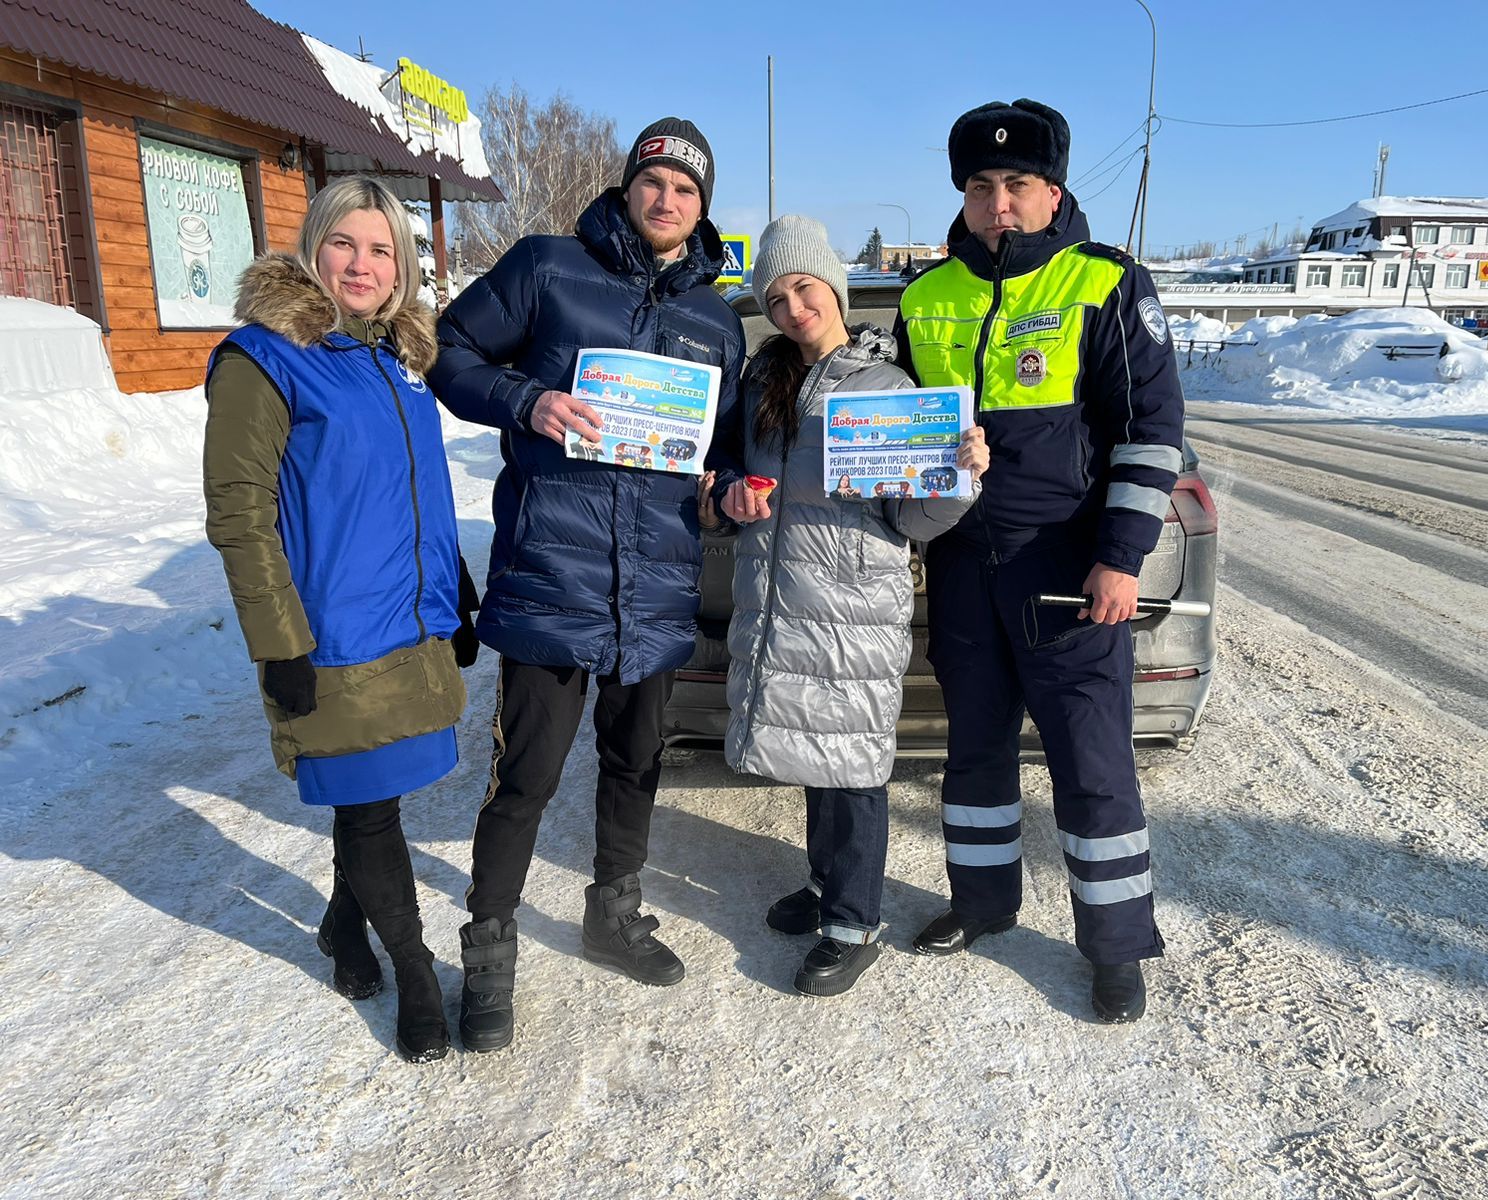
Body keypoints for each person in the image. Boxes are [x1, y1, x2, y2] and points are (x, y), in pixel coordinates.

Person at [428, 117, 745, 1052]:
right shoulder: (546, 267)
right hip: (550, 576)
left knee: (635, 763)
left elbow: (718, 453)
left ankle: (614, 911)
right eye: (654, 181)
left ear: (702, 207)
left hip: (653, 589)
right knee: (522, 778)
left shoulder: (716, 322)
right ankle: (489, 951)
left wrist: (731, 489)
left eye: (687, 190)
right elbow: (449, 352)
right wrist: (529, 400)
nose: (667, 199)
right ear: (629, 185)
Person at [894, 99, 1184, 1023]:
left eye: (1018, 185)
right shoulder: (924, 297)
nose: (1000, 203)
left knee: (1092, 764)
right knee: (973, 751)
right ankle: (982, 905)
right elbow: (892, 430)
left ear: (1053, 189)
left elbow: (1150, 433)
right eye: (982, 187)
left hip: (1067, 568)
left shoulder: (1103, 283)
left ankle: (1116, 945)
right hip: (965, 567)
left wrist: (1122, 556)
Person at [202, 177, 475, 1062]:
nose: (363, 264)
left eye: (382, 249)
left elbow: (419, 492)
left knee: (375, 796)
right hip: (335, 636)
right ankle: (418, 972)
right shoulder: (264, 356)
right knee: (369, 811)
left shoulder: (398, 356)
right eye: (346, 244)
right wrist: (279, 643)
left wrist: (456, 589)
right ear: (313, 248)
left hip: (409, 621)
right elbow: (238, 512)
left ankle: (340, 924)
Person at [720, 216, 988, 996]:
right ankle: (821, 884)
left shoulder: (891, 388)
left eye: (803, 288)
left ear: (832, 287)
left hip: (852, 599)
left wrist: (959, 477)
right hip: (780, 593)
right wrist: (734, 493)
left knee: (854, 766)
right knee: (814, 753)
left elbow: (911, 518)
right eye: (775, 297)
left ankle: (855, 920)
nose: (792, 308)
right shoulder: (765, 380)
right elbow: (744, 472)